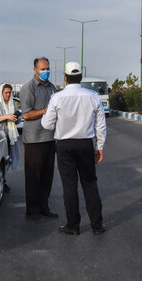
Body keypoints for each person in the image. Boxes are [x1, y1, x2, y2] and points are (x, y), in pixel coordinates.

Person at [41, 62, 107, 235]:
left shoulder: (57, 97)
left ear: (65, 77)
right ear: (81, 78)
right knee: (90, 184)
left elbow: (47, 125)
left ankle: (73, 225)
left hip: (64, 146)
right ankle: (97, 226)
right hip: (86, 143)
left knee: (69, 186)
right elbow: (100, 125)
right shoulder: (93, 96)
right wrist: (99, 146)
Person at [19, 57, 58, 221]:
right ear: (35, 70)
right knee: (34, 176)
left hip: (50, 137)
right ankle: (33, 210)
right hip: (34, 139)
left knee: (47, 175)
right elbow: (26, 114)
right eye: (42, 69)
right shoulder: (28, 88)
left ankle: (44, 207)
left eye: (47, 68)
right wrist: (47, 110)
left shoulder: (52, 87)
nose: (45, 71)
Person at [0, 83, 21, 192]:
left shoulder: (12, 103)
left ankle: (3, 180)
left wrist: (16, 119)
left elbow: (17, 121)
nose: (7, 95)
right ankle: (0, 182)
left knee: (9, 159)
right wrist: (7, 116)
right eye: (5, 92)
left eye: (9, 92)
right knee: (1, 160)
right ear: (1, 93)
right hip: (1, 136)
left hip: (11, 135)